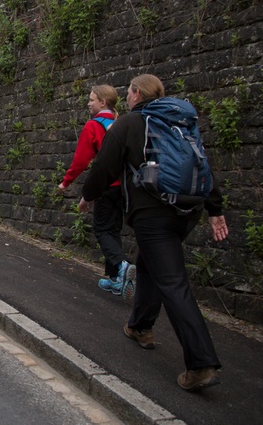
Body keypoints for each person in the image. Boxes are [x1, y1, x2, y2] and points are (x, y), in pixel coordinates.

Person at [81, 74, 229, 392]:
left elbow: (104, 166)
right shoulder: (182, 123)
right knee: (149, 263)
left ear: (135, 93)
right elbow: (202, 164)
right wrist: (215, 209)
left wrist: (88, 195)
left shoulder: (131, 123)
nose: (129, 97)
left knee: (172, 282)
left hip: (152, 215)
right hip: (189, 211)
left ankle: (201, 363)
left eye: (130, 92)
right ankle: (140, 326)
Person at [59, 84, 132, 296]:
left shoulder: (94, 126)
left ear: (103, 102)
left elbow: (82, 159)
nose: (88, 103)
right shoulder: (120, 123)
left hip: (106, 186)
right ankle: (116, 278)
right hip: (124, 187)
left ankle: (121, 266)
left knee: (101, 229)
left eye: (92, 100)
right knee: (113, 229)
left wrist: (66, 182)